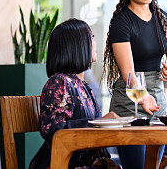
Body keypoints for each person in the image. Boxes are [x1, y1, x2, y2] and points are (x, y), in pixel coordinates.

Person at [102, 0, 167, 169]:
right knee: (137, 166)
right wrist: (143, 96)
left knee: (152, 165)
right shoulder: (121, 22)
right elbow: (129, 74)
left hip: (157, 97)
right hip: (130, 99)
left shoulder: (161, 17)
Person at [29, 18, 116, 169]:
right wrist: (98, 124)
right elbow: (53, 130)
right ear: (77, 45)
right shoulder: (60, 82)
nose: (95, 43)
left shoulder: (82, 85)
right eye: (91, 38)